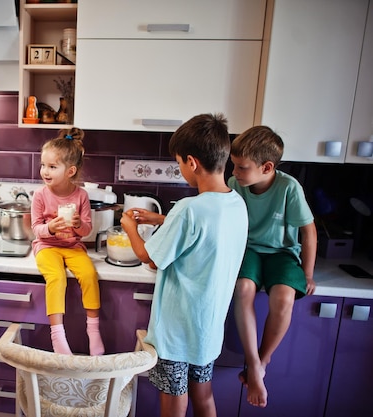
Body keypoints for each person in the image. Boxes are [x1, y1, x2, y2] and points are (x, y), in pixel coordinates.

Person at [120, 113, 248, 417]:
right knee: (203, 397)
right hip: (206, 329)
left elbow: (150, 258)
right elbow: (205, 232)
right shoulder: (235, 203)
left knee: (174, 402)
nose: (181, 169)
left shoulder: (189, 209)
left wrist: (130, 229)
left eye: (179, 163)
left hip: (176, 333)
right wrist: (161, 219)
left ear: (192, 162)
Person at [228, 125, 317, 408]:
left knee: (284, 296)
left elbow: (309, 232)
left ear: (267, 167)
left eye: (242, 167)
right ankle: (253, 363)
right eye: (234, 166)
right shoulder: (235, 184)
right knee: (243, 288)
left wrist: (308, 273)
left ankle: (262, 362)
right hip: (249, 249)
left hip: (282, 253)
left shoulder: (289, 187)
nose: (236, 173)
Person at [31, 127, 104, 356]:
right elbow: (36, 229)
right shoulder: (40, 195)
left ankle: (93, 331)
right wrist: (50, 228)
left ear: (70, 170)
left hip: (73, 246)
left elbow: (86, 230)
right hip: (47, 247)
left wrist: (76, 225)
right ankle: (58, 336)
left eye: (52, 166)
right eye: (43, 165)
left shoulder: (81, 195)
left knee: (89, 275)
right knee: (56, 277)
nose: (45, 171)